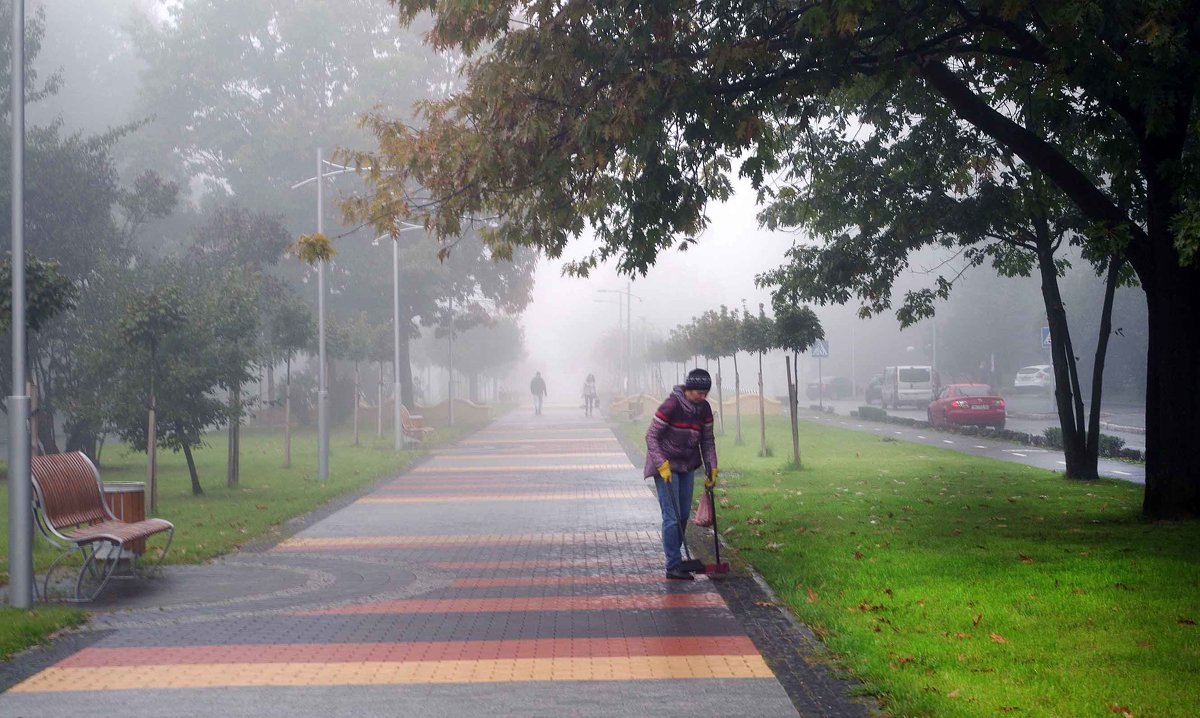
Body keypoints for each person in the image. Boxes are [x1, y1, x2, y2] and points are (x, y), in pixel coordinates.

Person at [644, 368, 718, 580]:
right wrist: (661, 464)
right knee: (671, 516)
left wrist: (711, 467)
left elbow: (707, 440)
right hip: (665, 465)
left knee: (683, 514)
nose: (702, 397)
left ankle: (674, 557)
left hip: (687, 465)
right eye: (698, 393)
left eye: (705, 394)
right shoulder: (672, 405)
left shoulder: (704, 408)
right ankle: (673, 565)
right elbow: (651, 436)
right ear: (688, 389)